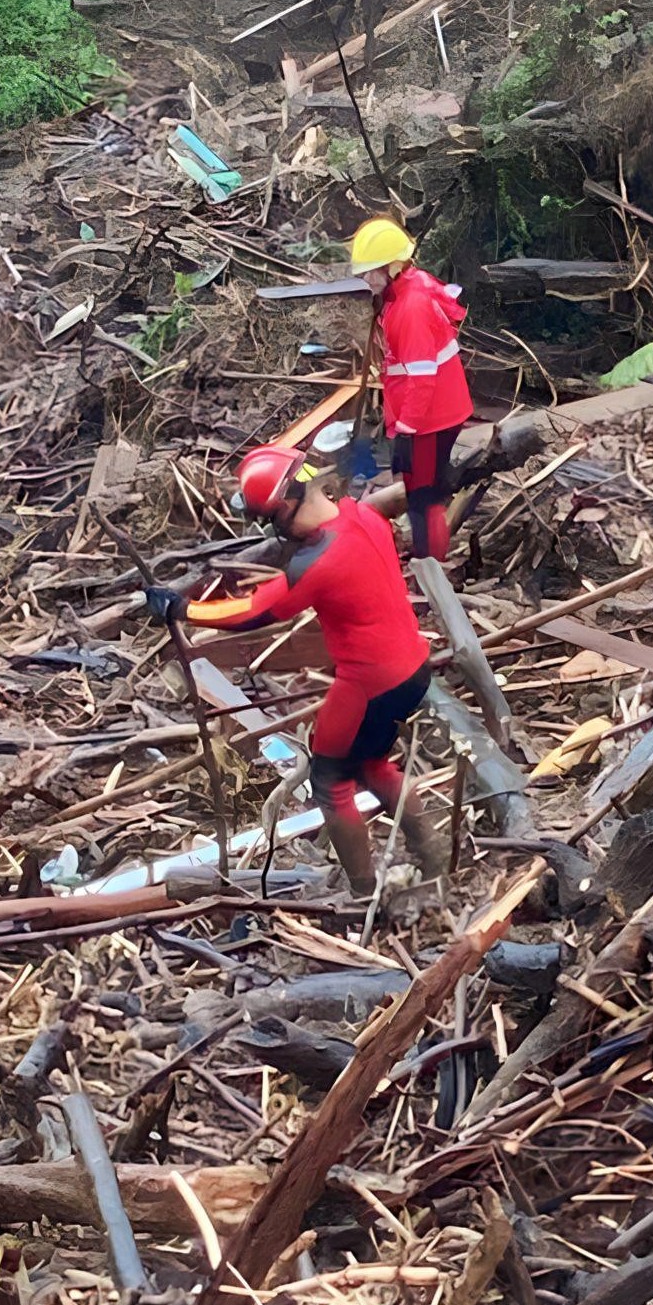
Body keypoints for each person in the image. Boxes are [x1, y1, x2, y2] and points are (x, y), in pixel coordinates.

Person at [146, 447, 447, 897]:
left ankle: (362, 892)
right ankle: (434, 856)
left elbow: (254, 612)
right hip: (412, 668)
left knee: (330, 780)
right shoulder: (363, 518)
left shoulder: (318, 563)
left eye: (271, 520)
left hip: (369, 685)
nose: (275, 531)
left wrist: (183, 608)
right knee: (371, 762)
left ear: (286, 506)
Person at [351, 217, 475, 562]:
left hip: (429, 418)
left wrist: (406, 427)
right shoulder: (407, 288)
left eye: (371, 271)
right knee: (421, 490)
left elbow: (422, 376)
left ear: (392, 266)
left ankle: (430, 565)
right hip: (431, 413)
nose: (365, 279)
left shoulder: (411, 307)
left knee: (423, 497)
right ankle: (427, 555)